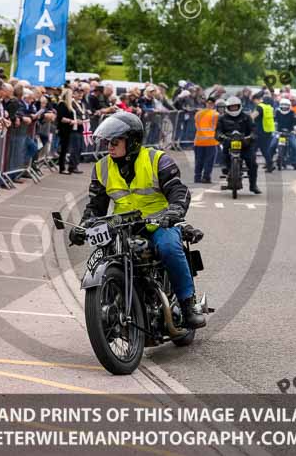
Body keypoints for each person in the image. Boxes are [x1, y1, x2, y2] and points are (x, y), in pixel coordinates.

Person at [69, 111, 205, 329]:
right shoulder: (102, 167)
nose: (109, 146)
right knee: (105, 254)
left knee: (169, 248)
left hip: (159, 223)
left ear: (132, 141)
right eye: (107, 142)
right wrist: (83, 226)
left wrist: (174, 211)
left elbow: (178, 191)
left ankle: (188, 305)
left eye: (115, 141)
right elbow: (96, 206)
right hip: (122, 227)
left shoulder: (157, 159)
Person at [217, 96, 261, 194]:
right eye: (231, 107)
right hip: (229, 143)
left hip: (245, 144)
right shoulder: (222, 118)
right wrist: (221, 136)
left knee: (252, 163)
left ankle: (253, 185)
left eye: (235, 107)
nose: (233, 109)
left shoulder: (246, 117)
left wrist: (251, 136)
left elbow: (253, 130)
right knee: (223, 157)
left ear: (239, 106)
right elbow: (218, 131)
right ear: (228, 107)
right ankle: (227, 169)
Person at [56, 87, 85, 175]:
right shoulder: (62, 104)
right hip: (64, 129)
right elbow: (61, 118)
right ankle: (62, 167)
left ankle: (66, 167)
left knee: (66, 149)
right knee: (64, 149)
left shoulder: (68, 105)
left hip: (69, 129)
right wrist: (72, 121)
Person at [193, 98, 219, 184]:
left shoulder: (198, 114)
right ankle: (206, 177)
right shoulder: (215, 115)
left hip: (199, 141)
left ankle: (197, 177)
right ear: (214, 104)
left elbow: (196, 125)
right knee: (209, 160)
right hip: (211, 141)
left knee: (199, 160)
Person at [274, 98, 296, 170]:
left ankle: (295, 164)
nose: (284, 107)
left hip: (290, 132)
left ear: (289, 106)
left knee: (295, 146)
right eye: (283, 106)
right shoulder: (277, 112)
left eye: (286, 106)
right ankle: (269, 163)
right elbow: (274, 121)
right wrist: (274, 129)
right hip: (279, 132)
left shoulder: (293, 113)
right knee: (272, 145)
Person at [253, 92, 275, 172]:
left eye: (254, 101)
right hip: (268, 130)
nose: (254, 102)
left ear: (257, 99)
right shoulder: (268, 107)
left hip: (260, 131)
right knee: (264, 149)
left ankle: (252, 165)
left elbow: (253, 116)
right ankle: (270, 165)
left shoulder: (260, 107)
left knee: (253, 149)